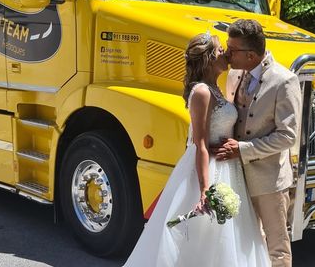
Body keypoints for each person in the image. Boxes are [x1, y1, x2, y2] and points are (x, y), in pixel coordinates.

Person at [123, 32, 270, 267]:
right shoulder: (202, 91)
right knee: (203, 238)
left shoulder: (216, 87)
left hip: (227, 167)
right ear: (210, 58)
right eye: (221, 50)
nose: (227, 53)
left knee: (225, 238)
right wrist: (204, 190)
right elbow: (200, 143)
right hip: (208, 169)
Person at [216, 19, 302, 267]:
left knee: (277, 248)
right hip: (236, 177)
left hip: (269, 180)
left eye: (232, 50)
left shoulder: (284, 81)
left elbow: (288, 135)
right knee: (245, 242)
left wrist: (243, 150)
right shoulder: (234, 74)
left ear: (251, 55)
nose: (227, 53)